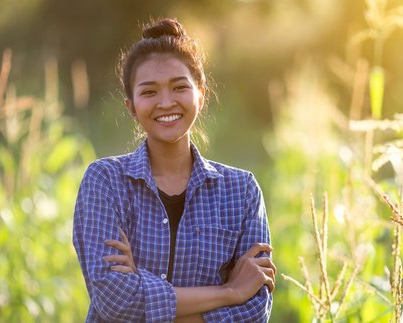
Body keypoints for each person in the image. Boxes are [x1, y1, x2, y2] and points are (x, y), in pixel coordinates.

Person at [73, 17, 275, 322]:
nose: (166, 102)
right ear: (131, 106)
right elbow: (113, 300)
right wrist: (229, 292)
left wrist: (139, 285)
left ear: (201, 94)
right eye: (149, 92)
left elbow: (254, 310)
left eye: (179, 87)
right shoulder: (105, 181)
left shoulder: (242, 191)